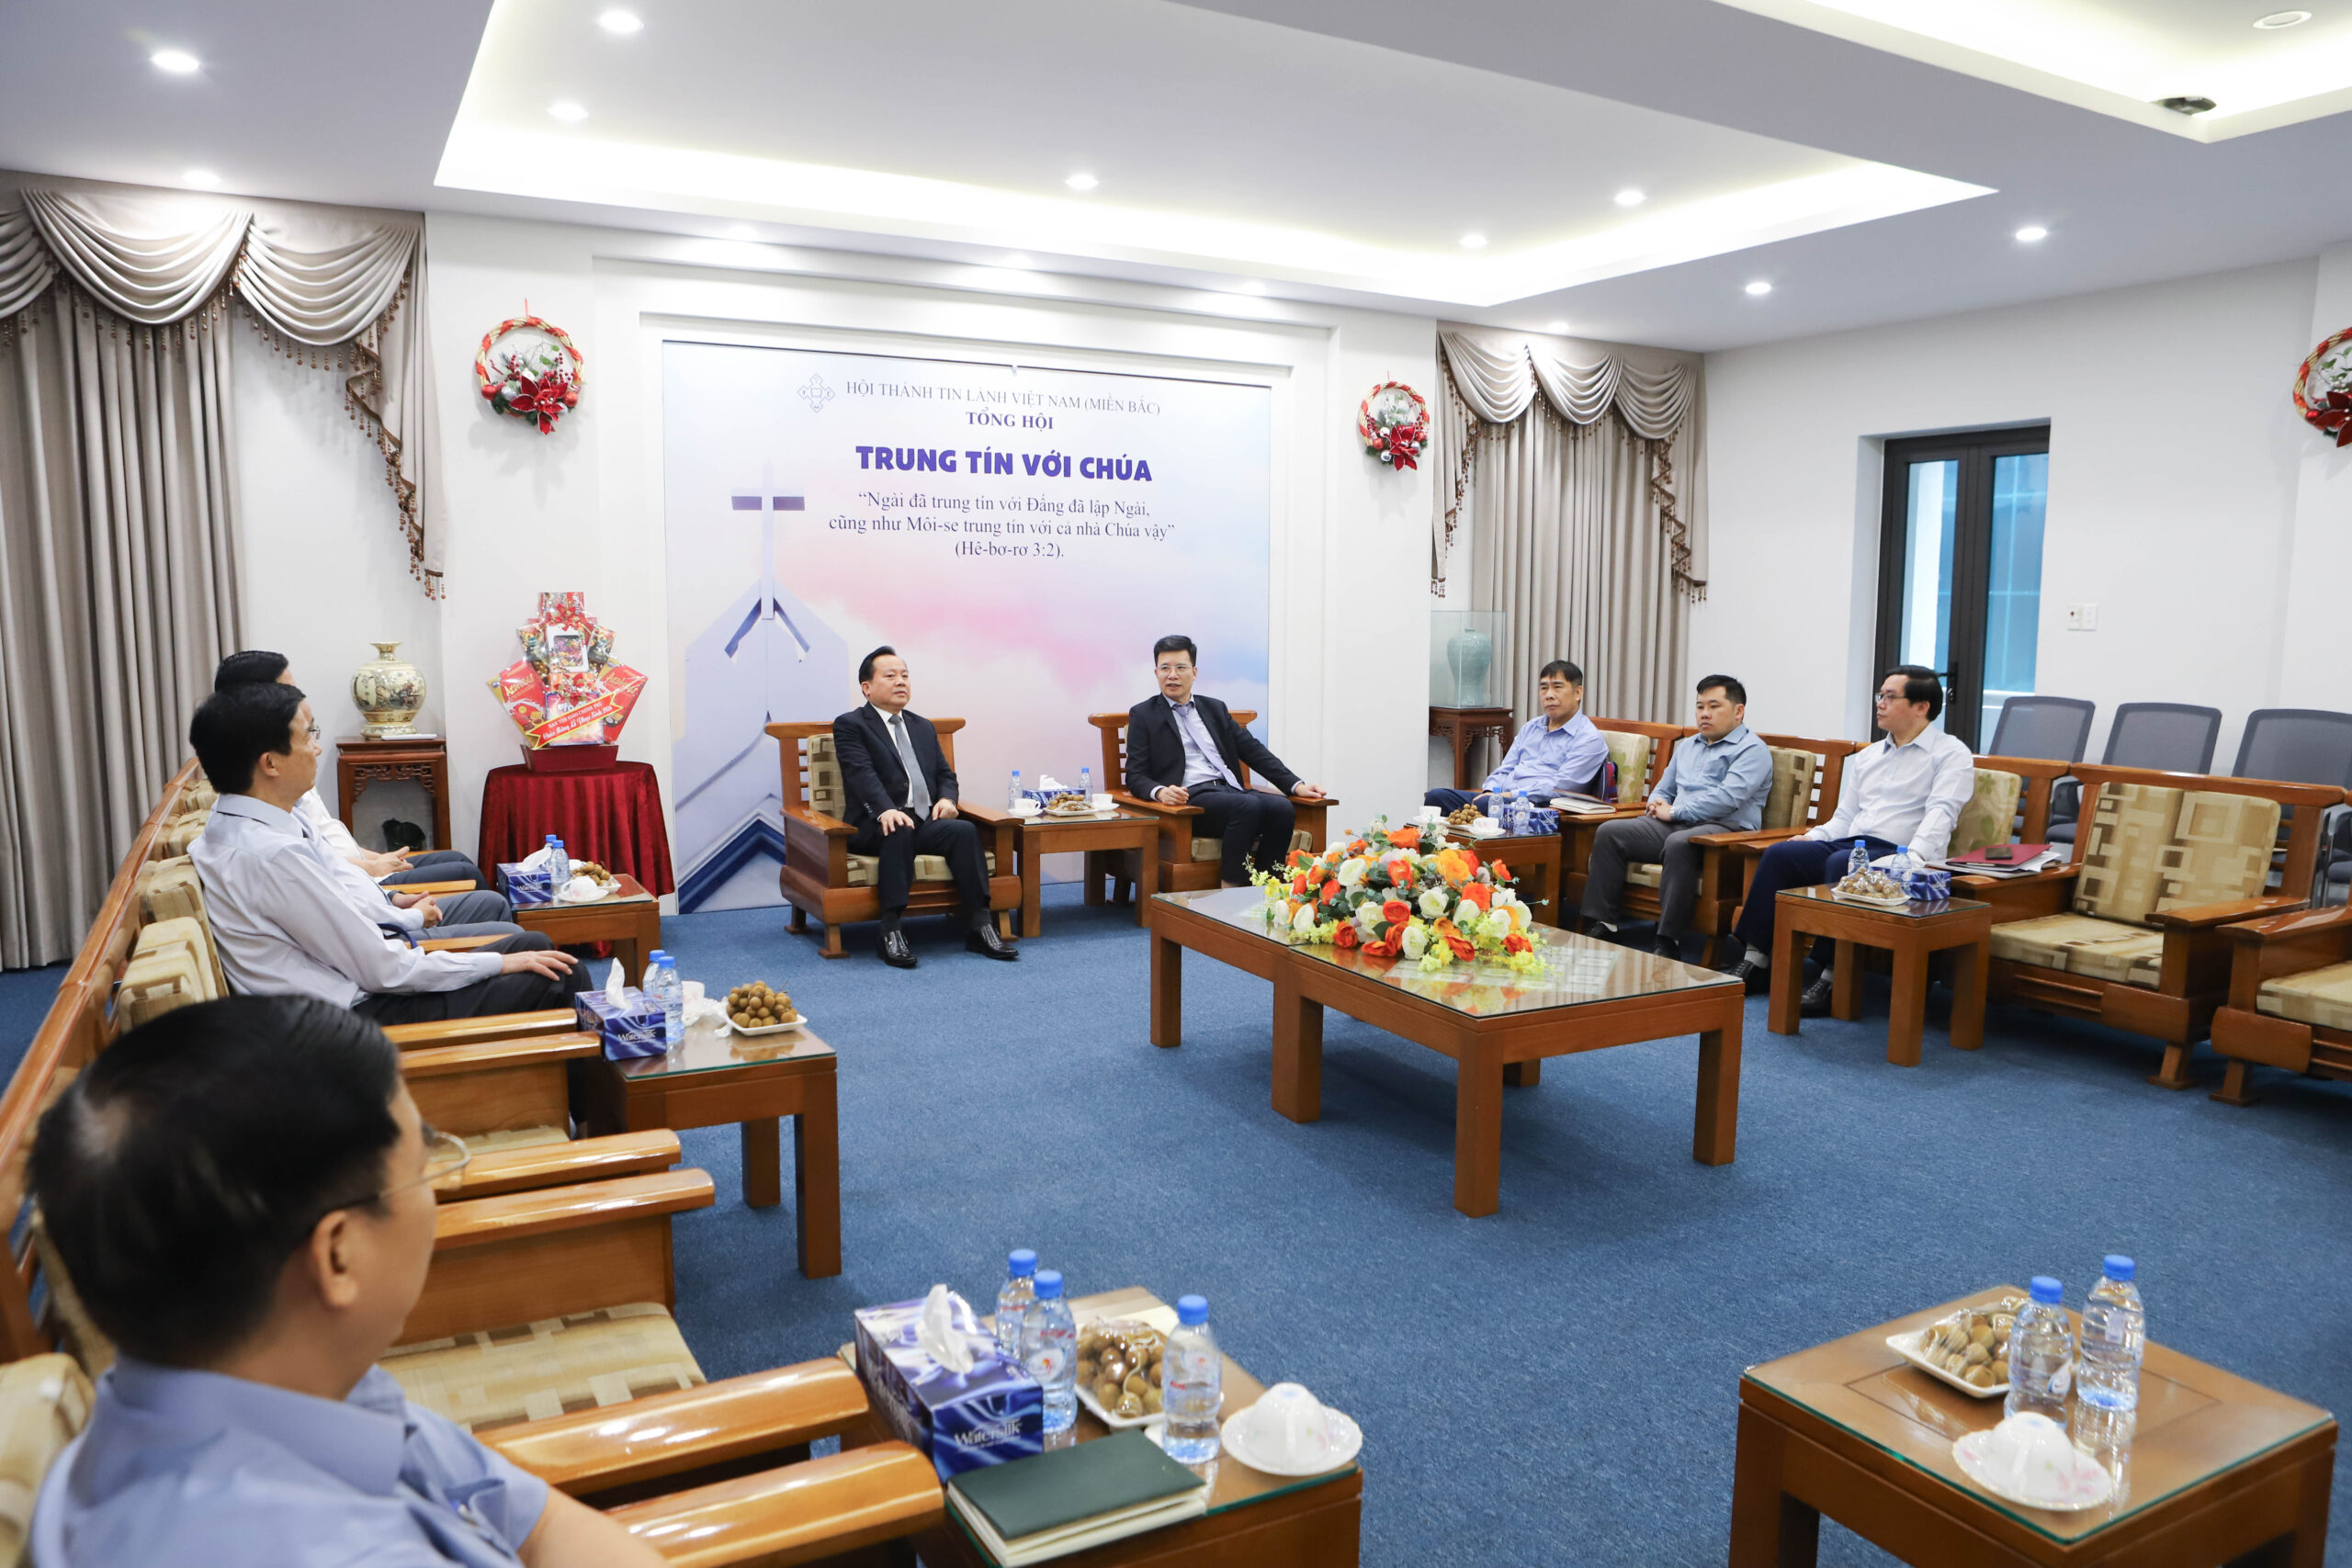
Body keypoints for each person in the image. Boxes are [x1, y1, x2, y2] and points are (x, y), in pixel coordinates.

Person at [27, 997, 666, 1568]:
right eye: (423, 1166)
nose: (437, 1188)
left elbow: (532, 1519)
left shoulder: (271, 1383)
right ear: (337, 1255)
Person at [187, 681, 587, 1021]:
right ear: (271, 763)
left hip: (347, 989)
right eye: (308, 736)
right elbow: (384, 969)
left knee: (531, 946)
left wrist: (399, 908)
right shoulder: (274, 856)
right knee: (563, 975)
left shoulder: (235, 827)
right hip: (355, 1018)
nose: (317, 748)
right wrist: (497, 964)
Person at [1723, 666, 1976, 1013]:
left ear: (1922, 707)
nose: (1880, 703)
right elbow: (1844, 817)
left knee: (1842, 863)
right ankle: (1757, 961)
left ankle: (1834, 976)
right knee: (1782, 854)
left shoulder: (1950, 754)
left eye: (1890, 697)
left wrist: (1911, 858)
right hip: (1855, 842)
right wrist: (1810, 838)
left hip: (1902, 852)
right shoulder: (1869, 756)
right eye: (1880, 695)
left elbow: (1941, 814)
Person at [212, 654, 517, 941]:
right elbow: (359, 944)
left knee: (465, 870)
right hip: (375, 922)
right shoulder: (267, 813)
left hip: (371, 898)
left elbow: (327, 857)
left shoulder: (281, 790)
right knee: (486, 900)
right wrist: (380, 880)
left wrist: (382, 878)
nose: (317, 747)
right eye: (287, 691)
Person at [832, 647, 1018, 969]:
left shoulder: (922, 726)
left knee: (963, 831)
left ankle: (980, 925)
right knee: (899, 828)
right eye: (890, 676)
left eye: (905, 675)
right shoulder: (851, 725)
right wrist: (885, 809)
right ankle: (890, 930)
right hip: (875, 823)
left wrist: (947, 799)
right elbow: (860, 774)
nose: (900, 681)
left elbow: (945, 775)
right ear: (867, 687)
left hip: (923, 819)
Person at [1579, 675, 1772, 958]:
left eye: (1714, 706)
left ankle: (1668, 939)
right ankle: (1604, 923)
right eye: (1700, 706)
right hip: (1677, 823)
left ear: (1738, 711)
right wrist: (1657, 803)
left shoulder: (1752, 750)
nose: (1704, 714)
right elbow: (1664, 787)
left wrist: (1675, 811)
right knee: (1611, 832)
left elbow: (1727, 798)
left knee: (1680, 843)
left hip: (1726, 830)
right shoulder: (1689, 746)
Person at [1125, 636, 1327, 887]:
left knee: (1281, 808)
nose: (1172, 675)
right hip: (1189, 801)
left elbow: (1253, 751)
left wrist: (1296, 785)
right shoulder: (1144, 714)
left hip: (1229, 793)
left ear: (1194, 672)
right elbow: (1135, 775)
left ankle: (1267, 887)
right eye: (1165, 668)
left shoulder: (1214, 709)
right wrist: (1161, 792)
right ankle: (1231, 889)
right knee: (1247, 805)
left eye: (1180, 667)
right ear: (1156, 673)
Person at [1422, 660, 1608, 816]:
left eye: (1557, 687)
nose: (1549, 695)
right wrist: (1490, 791)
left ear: (1578, 693)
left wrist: (1509, 795)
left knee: (1488, 805)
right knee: (1437, 797)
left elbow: (1560, 788)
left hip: (1541, 807)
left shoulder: (1588, 739)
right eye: (1544, 688)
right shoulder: (1532, 728)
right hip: (1502, 799)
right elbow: (1505, 768)